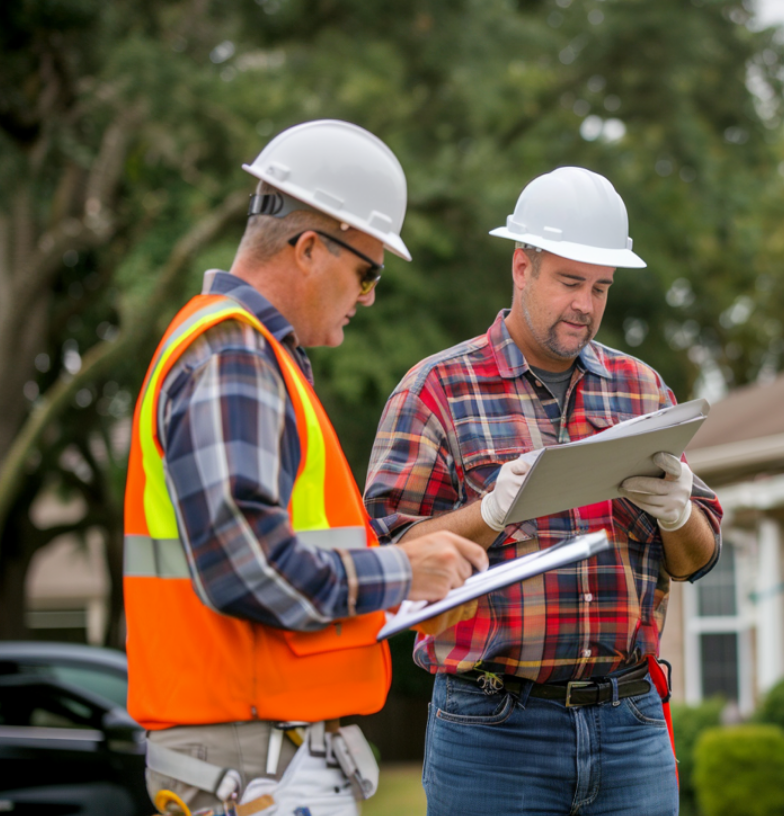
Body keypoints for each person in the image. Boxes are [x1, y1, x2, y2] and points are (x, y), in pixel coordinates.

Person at [123, 120, 488, 816]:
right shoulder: (234, 356)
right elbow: (247, 569)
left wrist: (410, 596)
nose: (370, 296)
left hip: (256, 756)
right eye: (366, 272)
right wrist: (404, 573)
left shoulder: (253, 357)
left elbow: (288, 561)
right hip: (253, 764)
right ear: (309, 247)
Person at [364, 166, 722, 815]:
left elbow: (699, 558)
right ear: (522, 266)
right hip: (492, 730)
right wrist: (492, 512)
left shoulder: (642, 391)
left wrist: (678, 514)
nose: (584, 304)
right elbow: (393, 559)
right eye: (569, 281)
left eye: (600, 287)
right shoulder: (436, 390)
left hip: (630, 723)